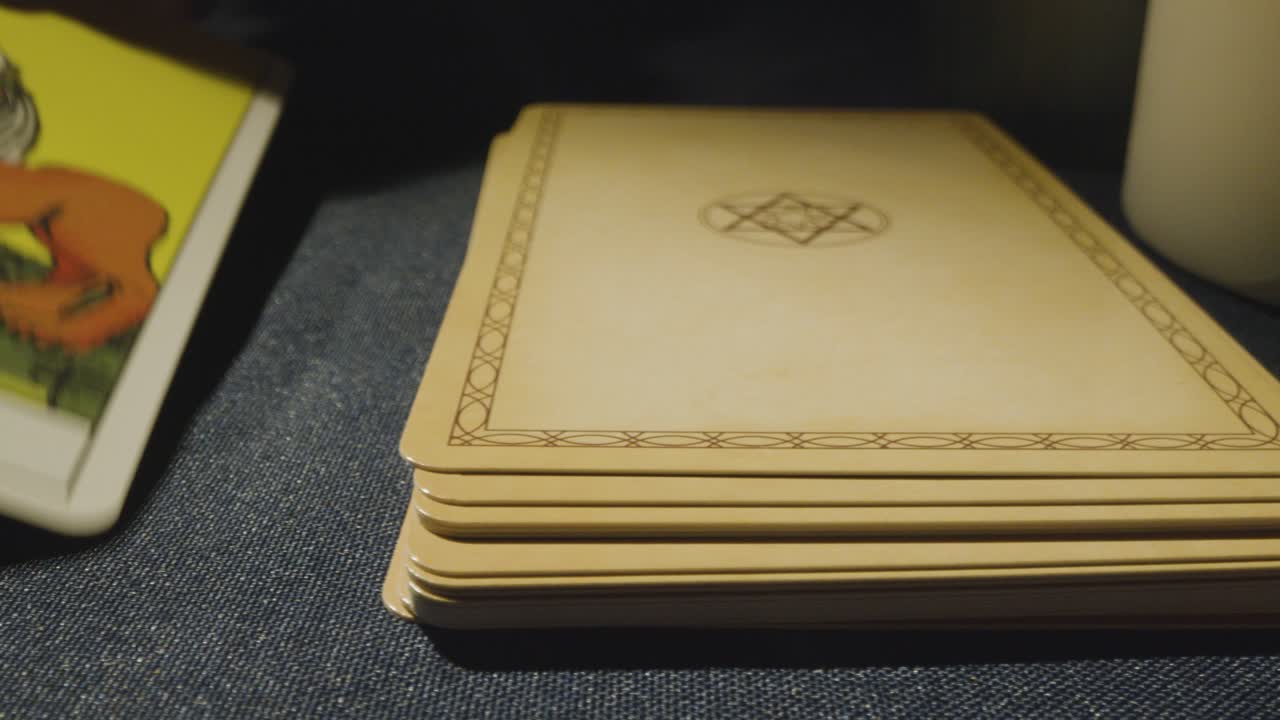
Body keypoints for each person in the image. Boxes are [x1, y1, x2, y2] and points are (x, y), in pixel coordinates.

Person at [0, 48, 168, 353]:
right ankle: (63, 297)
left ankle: (100, 311)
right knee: (70, 260)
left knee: (85, 245)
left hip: (115, 212)